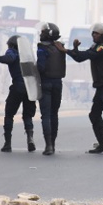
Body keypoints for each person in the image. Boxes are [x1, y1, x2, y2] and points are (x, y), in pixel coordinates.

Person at [67, 22, 103, 155]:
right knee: (94, 114)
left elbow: (84, 56)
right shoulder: (96, 47)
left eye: (97, 33)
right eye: (93, 33)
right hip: (101, 87)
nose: (94, 35)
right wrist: (74, 49)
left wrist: (66, 51)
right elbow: (80, 58)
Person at [0, 35, 36, 153]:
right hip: (30, 88)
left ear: (12, 45)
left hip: (18, 87)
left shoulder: (13, 52)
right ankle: (30, 138)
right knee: (28, 116)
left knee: (9, 114)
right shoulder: (28, 55)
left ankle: (7, 144)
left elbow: (9, 58)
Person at [36, 22, 66, 156]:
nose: (41, 34)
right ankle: (52, 144)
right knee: (54, 114)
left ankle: (48, 145)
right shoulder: (61, 48)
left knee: (46, 115)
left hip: (46, 83)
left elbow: (41, 67)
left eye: (43, 32)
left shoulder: (42, 48)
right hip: (58, 83)